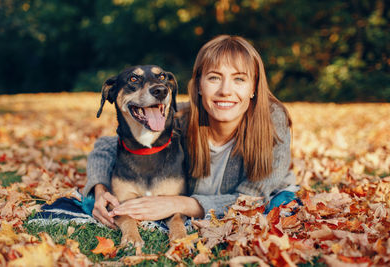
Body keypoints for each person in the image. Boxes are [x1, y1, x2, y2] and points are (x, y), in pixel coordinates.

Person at [83, 35, 298, 228]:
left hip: (267, 197)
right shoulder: (182, 117)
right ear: (198, 86)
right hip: (196, 203)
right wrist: (100, 189)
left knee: (276, 208)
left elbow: (254, 199)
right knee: (92, 202)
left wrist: (182, 204)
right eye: (214, 78)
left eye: (239, 79)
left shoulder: (271, 120)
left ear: (254, 87)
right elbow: (107, 145)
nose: (225, 90)